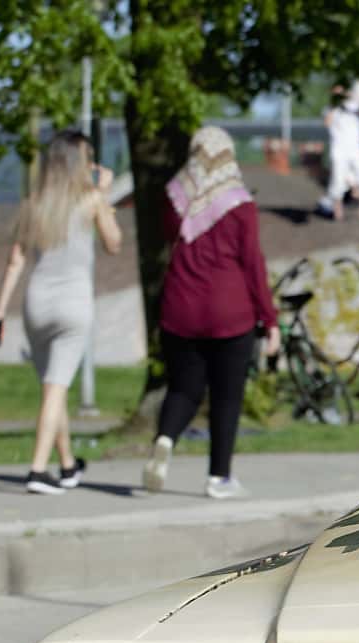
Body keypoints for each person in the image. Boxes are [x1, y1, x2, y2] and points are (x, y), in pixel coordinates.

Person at [0, 129, 124, 494]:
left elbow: (15, 261)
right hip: (73, 306)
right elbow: (114, 244)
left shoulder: (34, 203)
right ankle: (37, 470)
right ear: (80, 164)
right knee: (55, 389)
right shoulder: (91, 200)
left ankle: (67, 465)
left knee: (52, 387)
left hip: (37, 305)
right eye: (89, 159)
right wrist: (105, 196)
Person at [145, 125, 279, 500]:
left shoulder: (174, 198)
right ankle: (219, 478)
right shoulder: (240, 204)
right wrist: (269, 319)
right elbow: (252, 264)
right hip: (230, 311)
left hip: (180, 308)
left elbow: (169, 240)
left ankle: (165, 439)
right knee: (226, 396)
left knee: (183, 388)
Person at [320, 81, 359, 221]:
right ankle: (338, 211)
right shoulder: (330, 109)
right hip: (339, 149)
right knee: (338, 180)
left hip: (355, 148)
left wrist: (348, 95)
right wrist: (335, 105)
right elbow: (327, 123)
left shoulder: (352, 105)